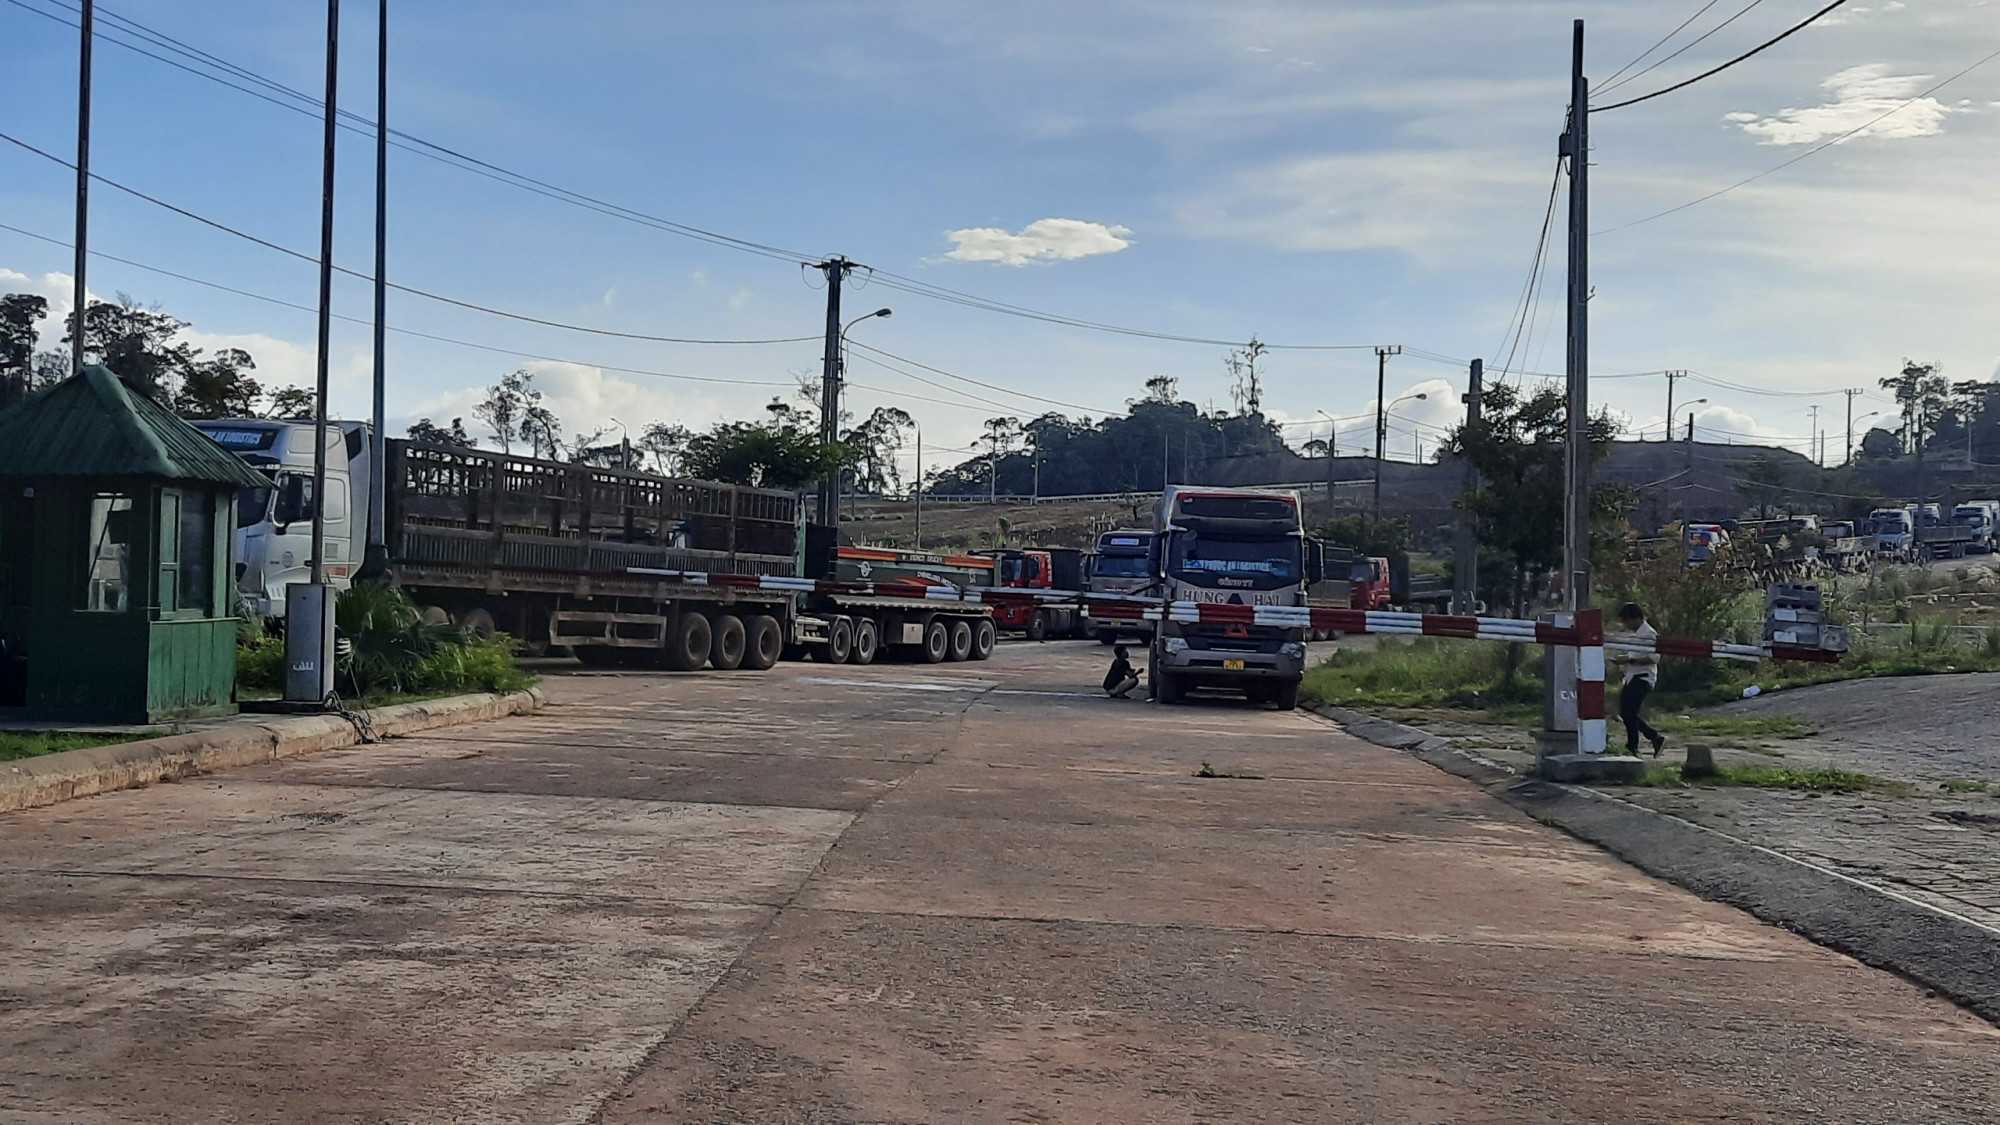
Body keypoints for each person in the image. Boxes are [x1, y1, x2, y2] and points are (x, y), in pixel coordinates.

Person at [1612, 602, 1666, 756]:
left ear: (1634, 618)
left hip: (1643, 677)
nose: (1626, 625)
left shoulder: (1648, 634)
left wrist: (1628, 661)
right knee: (1627, 712)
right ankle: (1653, 738)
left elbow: (1653, 658)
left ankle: (1634, 745)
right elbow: (1635, 656)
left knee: (1628, 712)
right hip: (1633, 677)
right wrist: (1624, 659)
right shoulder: (1639, 634)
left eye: (1626, 621)